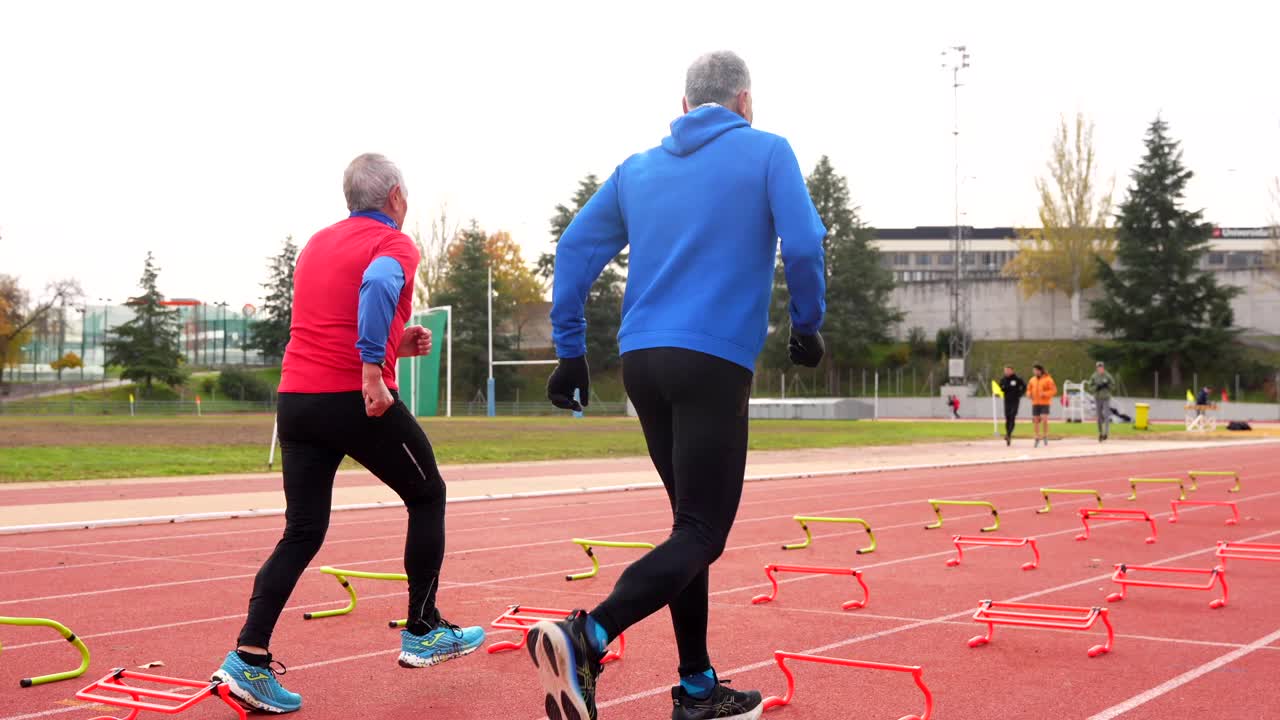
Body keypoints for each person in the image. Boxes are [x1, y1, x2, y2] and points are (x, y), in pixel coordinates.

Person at [528, 51, 826, 720]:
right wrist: (807, 325)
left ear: (686, 107)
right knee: (702, 531)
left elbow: (574, 249)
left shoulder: (638, 170)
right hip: (711, 361)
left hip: (643, 362)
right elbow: (804, 244)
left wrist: (571, 352)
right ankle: (588, 635)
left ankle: (697, 688)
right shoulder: (768, 151)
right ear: (745, 103)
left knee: (686, 528)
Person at [212, 154, 484, 713]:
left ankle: (248, 657)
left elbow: (329, 315)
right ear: (396, 198)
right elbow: (381, 282)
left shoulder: (316, 243)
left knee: (302, 530)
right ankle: (424, 628)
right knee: (428, 494)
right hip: (353, 398)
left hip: (297, 401)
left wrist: (390, 346)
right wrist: (370, 370)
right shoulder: (395, 245)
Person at [1084, 361, 1117, 442]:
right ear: (1097, 368)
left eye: (1101, 367)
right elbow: (1089, 387)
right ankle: (1100, 433)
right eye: (1098, 367)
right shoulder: (1094, 376)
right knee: (1099, 416)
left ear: (1103, 367)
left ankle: (1106, 433)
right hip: (1097, 398)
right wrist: (1096, 387)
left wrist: (1107, 385)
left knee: (1106, 415)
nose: (1100, 368)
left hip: (1106, 397)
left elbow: (1113, 386)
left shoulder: (1107, 376)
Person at [1027, 364, 1057, 448]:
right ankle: (1036, 436)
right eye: (1033, 370)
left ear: (1040, 371)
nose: (1034, 372)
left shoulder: (1048, 379)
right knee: (1036, 420)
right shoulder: (1032, 379)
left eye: (1036, 370)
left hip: (1045, 402)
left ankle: (1045, 435)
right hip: (1035, 403)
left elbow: (1054, 390)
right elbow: (1028, 389)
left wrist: (1045, 394)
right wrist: (1029, 394)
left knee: (1044, 419)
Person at [997, 365, 1025, 446]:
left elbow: (1024, 386)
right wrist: (1002, 389)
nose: (1006, 372)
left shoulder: (1017, 379)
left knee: (1012, 416)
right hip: (1007, 401)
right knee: (1007, 418)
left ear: (1012, 371)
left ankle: (1009, 434)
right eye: (1005, 371)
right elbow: (1000, 387)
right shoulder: (1003, 379)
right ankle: (1008, 434)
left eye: (1008, 370)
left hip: (1015, 401)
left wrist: (1020, 394)